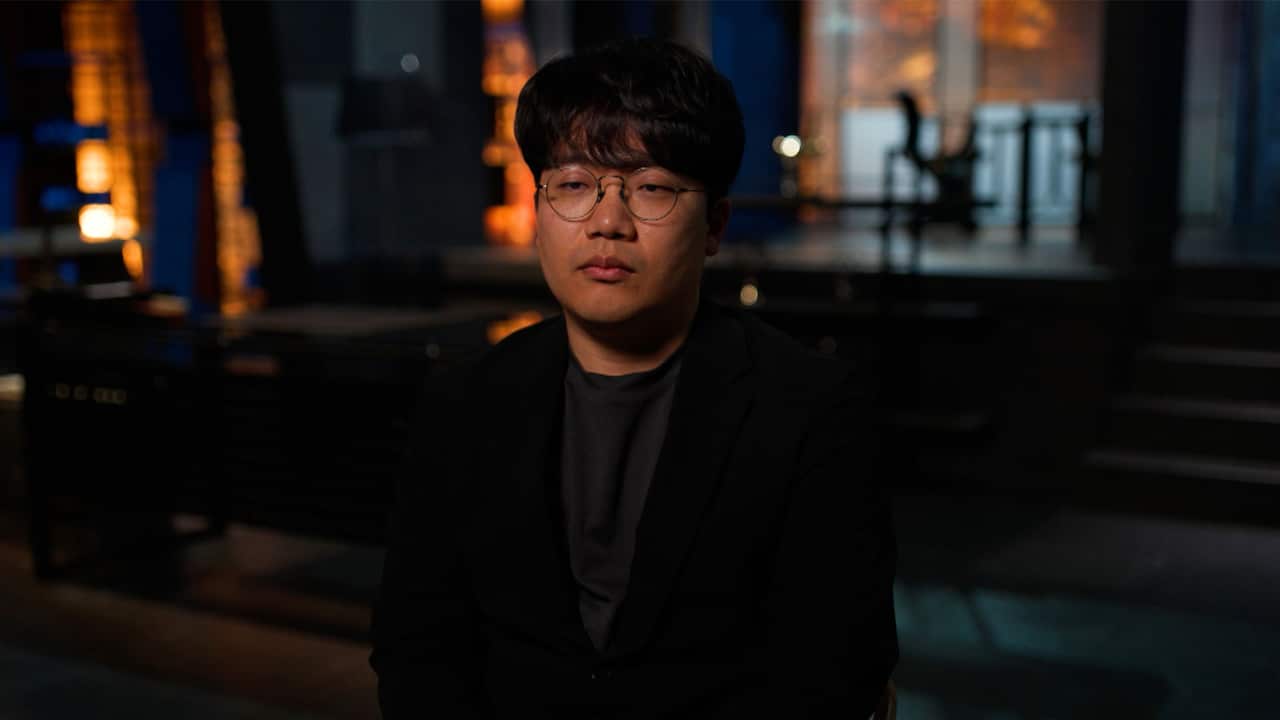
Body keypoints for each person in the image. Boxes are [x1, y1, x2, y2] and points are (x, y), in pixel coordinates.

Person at [370, 37, 897, 719]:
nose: (608, 222)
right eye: (573, 185)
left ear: (714, 226)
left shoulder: (811, 409)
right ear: (538, 212)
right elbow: (417, 643)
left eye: (652, 188)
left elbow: (832, 668)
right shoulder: (464, 401)